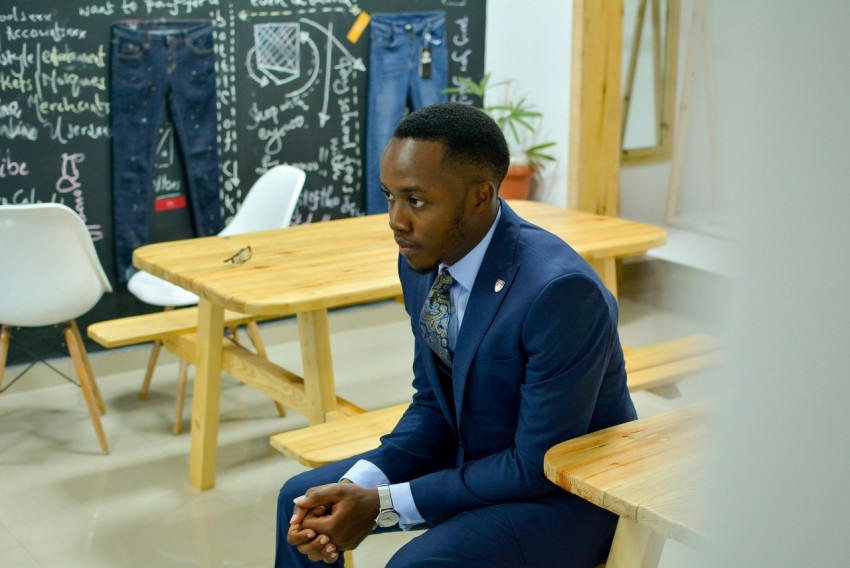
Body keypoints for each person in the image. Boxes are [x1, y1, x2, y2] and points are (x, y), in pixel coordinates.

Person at [276, 102, 637, 567]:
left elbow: (536, 465)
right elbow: (433, 403)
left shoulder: (560, 293)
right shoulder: (424, 259)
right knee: (301, 502)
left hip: (564, 494)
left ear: (479, 197)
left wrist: (382, 505)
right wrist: (355, 487)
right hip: (477, 456)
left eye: (416, 200)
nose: (396, 220)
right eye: (389, 196)